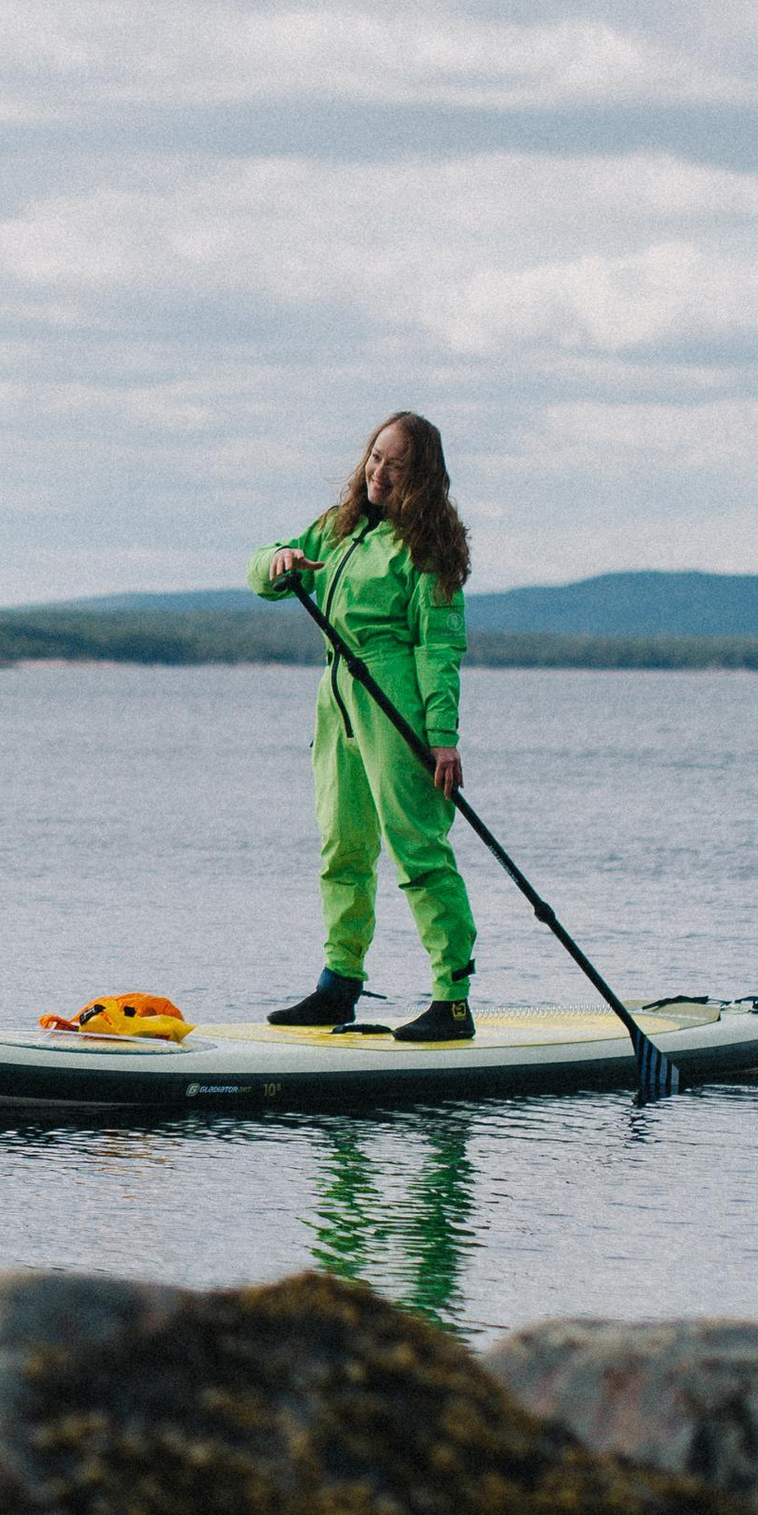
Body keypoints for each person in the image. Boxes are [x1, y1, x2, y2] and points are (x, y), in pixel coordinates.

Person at [249, 412, 477, 1043]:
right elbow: (259, 575)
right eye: (375, 456)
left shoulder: (427, 548)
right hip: (337, 700)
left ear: (420, 476)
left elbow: (440, 648)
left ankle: (452, 999)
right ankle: (339, 985)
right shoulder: (338, 527)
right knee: (342, 845)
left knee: (418, 847)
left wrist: (443, 736)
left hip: (394, 700)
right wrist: (281, 560)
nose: (378, 471)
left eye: (395, 464)